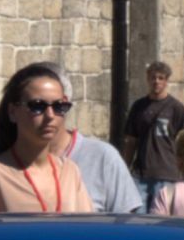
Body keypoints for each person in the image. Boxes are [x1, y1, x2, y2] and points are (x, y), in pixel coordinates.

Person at [0, 64, 95, 216]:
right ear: (13, 111)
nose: (50, 115)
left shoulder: (70, 171)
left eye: (59, 106)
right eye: (37, 106)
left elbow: (87, 227)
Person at [49, 64, 142, 213]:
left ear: (65, 104)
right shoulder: (9, 166)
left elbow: (125, 221)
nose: (47, 114)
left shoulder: (103, 157)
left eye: (55, 105)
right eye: (35, 105)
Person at [122, 60, 184, 210]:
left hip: (167, 173)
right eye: (153, 77)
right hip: (141, 173)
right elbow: (131, 140)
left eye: (160, 78)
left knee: (161, 217)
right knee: (137, 216)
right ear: (148, 79)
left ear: (166, 81)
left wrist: (183, 170)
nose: (156, 81)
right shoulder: (138, 106)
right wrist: (125, 167)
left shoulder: (176, 108)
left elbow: (181, 140)